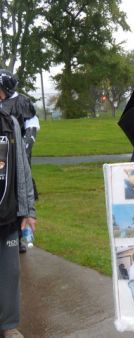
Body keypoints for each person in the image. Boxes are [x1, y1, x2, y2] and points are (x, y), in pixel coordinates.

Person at [0, 108, 36, 338]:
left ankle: (8, 326)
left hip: (7, 217)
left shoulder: (9, 122)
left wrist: (28, 210)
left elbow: (22, 169)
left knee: (10, 274)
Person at [0, 70, 39, 253]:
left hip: (16, 153)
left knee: (18, 190)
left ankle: (18, 236)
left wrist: (24, 148)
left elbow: (32, 125)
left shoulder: (21, 103)